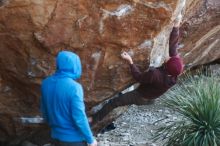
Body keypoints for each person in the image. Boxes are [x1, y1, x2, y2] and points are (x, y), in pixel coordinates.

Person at [91, 15, 184, 125]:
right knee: (123, 98)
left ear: (167, 66)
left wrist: (130, 61)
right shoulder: (174, 72)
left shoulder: (155, 74)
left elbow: (139, 77)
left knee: (114, 102)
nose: (169, 57)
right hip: (152, 96)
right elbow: (173, 48)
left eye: (169, 59)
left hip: (141, 96)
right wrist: (176, 26)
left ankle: (94, 120)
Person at [40, 51, 97, 146]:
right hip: (74, 140)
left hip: (55, 136)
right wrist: (90, 139)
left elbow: (44, 111)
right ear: (75, 66)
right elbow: (79, 117)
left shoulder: (46, 83)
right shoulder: (75, 87)